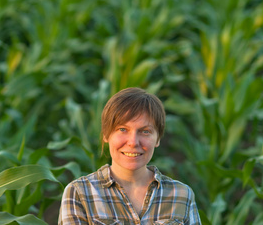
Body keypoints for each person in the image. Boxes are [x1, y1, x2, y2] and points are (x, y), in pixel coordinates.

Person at [58, 87, 201, 225]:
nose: (133, 142)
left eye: (145, 131)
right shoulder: (79, 193)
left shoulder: (181, 195)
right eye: (122, 129)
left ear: (158, 139)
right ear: (106, 135)